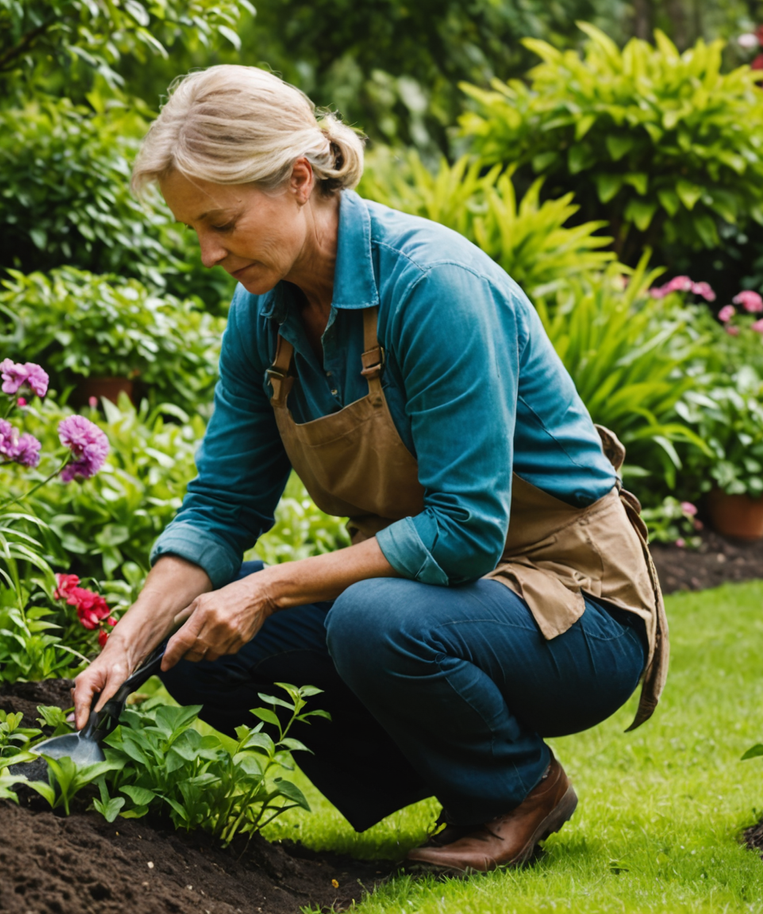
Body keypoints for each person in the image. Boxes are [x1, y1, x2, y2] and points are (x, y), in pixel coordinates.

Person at [71, 65, 668, 876]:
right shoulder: (263, 315)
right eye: (194, 230)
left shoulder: (434, 286)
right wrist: (128, 641)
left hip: (575, 608)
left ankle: (518, 789)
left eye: (223, 222)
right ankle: (458, 783)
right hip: (442, 601)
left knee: (369, 617)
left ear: (298, 178)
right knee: (195, 639)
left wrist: (267, 586)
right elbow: (220, 506)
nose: (209, 253)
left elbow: (464, 533)